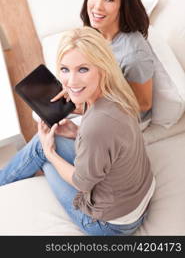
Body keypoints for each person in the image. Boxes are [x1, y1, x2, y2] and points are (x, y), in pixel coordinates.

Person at [0, 27, 155, 236]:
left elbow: (82, 182)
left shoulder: (96, 127)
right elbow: (113, 138)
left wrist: (50, 153)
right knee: (46, 141)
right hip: (138, 192)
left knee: (42, 150)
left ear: (102, 68)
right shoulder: (118, 92)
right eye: (64, 69)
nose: (71, 82)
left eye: (83, 69)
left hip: (113, 225)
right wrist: (76, 131)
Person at [53, 0, 155, 122]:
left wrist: (88, 103)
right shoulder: (98, 31)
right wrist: (76, 88)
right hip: (92, 100)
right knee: (43, 112)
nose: (97, 6)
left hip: (119, 120)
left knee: (45, 137)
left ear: (123, 5)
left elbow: (143, 104)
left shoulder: (134, 56)